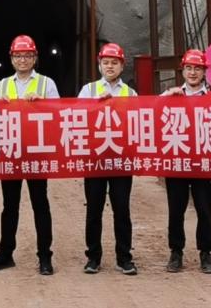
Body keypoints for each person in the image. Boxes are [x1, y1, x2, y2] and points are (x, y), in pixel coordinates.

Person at [0, 34, 59, 276]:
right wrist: (0, 105)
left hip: (37, 152)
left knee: (40, 204)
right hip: (11, 151)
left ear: (35, 58)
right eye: (18, 56)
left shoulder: (46, 83)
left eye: (27, 55)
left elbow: (60, 114)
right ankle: (5, 254)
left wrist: (42, 103)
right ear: (11, 58)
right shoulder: (3, 84)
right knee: (10, 205)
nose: (23, 60)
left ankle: (45, 256)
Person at [77, 42, 139, 276]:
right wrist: (96, 105)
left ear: (122, 66)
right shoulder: (88, 90)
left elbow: (137, 122)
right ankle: (93, 257)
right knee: (94, 210)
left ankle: (124, 258)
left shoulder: (130, 93)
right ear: (99, 65)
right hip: (95, 158)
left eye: (114, 63)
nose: (110, 66)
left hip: (121, 158)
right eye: (106, 62)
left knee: (122, 209)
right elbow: (76, 118)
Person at [160, 49, 211, 275]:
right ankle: (176, 252)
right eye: (189, 68)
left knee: (204, 210)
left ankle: (206, 253)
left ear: (204, 72)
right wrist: (165, 96)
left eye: (198, 68)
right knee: (176, 210)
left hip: (203, 163)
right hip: (177, 161)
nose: (193, 73)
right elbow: (149, 112)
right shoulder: (172, 95)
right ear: (182, 70)